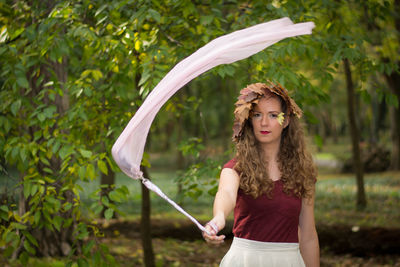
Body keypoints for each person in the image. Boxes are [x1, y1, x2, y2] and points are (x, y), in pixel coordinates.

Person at [202, 81, 320, 267]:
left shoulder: (302, 173)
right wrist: (218, 219)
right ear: (249, 120)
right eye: (257, 115)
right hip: (245, 260)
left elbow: (308, 236)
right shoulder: (234, 169)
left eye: (273, 115)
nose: (264, 122)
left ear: (286, 120)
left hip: (289, 261)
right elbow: (226, 194)